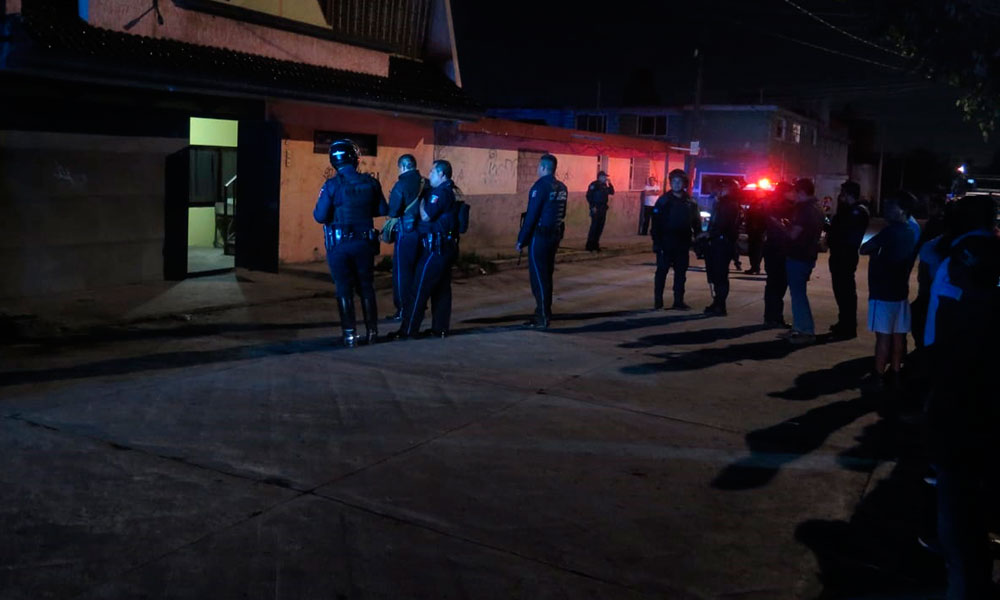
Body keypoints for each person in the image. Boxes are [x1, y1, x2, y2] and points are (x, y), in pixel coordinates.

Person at [921, 195, 999, 600]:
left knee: (959, 514)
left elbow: (955, 319)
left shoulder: (967, 255)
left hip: (963, 393)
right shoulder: (969, 250)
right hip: (969, 390)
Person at [313, 139, 388, 347]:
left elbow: (319, 216)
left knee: (344, 289)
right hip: (364, 243)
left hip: (339, 246)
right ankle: (372, 332)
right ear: (354, 159)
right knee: (366, 287)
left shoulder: (331, 185)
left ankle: (349, 335)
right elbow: (382, 209)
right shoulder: (371, 182)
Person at [859, 190, 920, 392]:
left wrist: (877, 255)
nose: (887, 210)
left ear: (902, 210)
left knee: (883, 337)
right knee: (898, 335)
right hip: (900, 290)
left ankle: (877, 375)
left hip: (882, 291)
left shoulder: (890, 231)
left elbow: (865, 248)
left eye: (892, 207)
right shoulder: (912, 230)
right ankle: (894, 374)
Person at [394, 159, 460, 339]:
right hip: (445, 246)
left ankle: (408, 330)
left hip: (435, 248)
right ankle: (440, 329)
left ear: (441, 174)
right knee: (441, 290)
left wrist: (421, 198)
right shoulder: (450, 191)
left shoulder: (439, 193)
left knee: (419, 288)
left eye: (432, 172)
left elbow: (425, 216)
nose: (429, 175)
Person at [516, 154, 568, 328]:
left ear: (544, 168)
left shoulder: (540, 186)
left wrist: (521, 240)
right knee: (547, 275)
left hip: (540, 236)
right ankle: (545, 311)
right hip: (554, 235)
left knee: (538, 276)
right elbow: (563, 213)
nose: (537, 169)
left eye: (539, 166)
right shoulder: (562, 187)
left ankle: (543, 316)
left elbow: (532, 215)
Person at [771, 178, 824, 344]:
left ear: (801, 192)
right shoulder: (817, 208)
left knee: (798, 295)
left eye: (795, 191)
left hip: (798, 256)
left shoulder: (804, 209)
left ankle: (805, 331)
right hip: (808, 255)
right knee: (798, 294)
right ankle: (799, 328)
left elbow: (794, 234)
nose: (792, 195)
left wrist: (779, 225)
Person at [825, 180, 870, 340]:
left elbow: (844, 233)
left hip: (845, 256)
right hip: (840, 255)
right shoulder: (849, 211)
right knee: (841, 291)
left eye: (842, 193)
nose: (840, 196)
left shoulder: (857, 212)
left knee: (846, 292)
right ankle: (843, 322)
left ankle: (848, 326)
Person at [651, 168, 701, 310]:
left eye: (679, 181)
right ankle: (658, 301)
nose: (677, 184)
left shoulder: (690, 202)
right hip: (666, 243)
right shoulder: (663, 201)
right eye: (674, 181)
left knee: (680, 274)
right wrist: (656, 242)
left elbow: (696, 222)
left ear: (684, 183)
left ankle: (678, 301)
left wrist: (699, 240)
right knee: (661, 272)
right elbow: (655, 224)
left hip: (682, 243)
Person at [386, 154, 427, 321]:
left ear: (402, 167)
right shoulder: (426, 182)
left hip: (406, 233)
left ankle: (403, 309)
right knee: (419, 271)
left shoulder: (401, 184)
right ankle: (419, 306)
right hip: (424, 233)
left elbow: (393, 211)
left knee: (402, 273)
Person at [701, 179, 741, 316]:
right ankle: (718, 302)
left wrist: (708, 234)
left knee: (720, 275)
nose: (719, 190)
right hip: (721, 242)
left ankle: (720, 304)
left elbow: (722, 225)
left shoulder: (728, 204)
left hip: (722, 243)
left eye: (723, 188)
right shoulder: (725, 203)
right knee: (718, 275)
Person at [762, 182, 794, 327]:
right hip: (780, 248)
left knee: (772, 284)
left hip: (772, 247)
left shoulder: (771, 205)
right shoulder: (784, 207)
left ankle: (770, 316)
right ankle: (775, 317)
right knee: (778, 284)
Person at [585, 171, 614, 251]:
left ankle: (596, 244)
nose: (606, 178)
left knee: (600, 227)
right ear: (600, 177)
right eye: (604, 177)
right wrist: (592, 206)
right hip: (596, 207)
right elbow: (589, 196)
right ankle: (589, 245)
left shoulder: (604, 185)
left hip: (603, 208)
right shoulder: (594, 185)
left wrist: (610, 184)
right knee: (594, 226)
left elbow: (612, 192)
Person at [743, 193, 766, 275]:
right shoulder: (753, 205)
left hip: (759, 231)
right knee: (752, 250)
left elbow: (764, 218)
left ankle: (756, 267)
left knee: (757, 251)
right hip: (753, 231)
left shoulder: (763, 205)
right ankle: (754, 267)